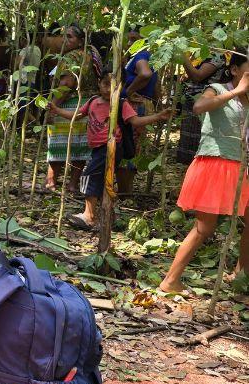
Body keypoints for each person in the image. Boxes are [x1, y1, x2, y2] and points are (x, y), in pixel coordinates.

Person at [160, 53, 249, 294]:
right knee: (204, 228)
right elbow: (199, 107)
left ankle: (240, 276)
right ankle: (170, 280)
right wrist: (236, 91)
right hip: (216, 164)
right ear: (234, 70)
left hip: (242, 167)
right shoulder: (217, 88)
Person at [48, 73, 171, 228]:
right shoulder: (93, 101)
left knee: (89, 176)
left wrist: (158, 116)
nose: (109, 89)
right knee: (102, 181)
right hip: (97, 149)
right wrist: (56, 109)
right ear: (99, 83)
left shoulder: (121, 104)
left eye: (114, 85)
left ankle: (89, 216)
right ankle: (108, 216)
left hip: (111, 148)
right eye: (106, 84)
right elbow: (77, 115)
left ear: (121, 87)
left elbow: (135, 121)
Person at [45, 24, 99, 192]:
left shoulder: (71, 57)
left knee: (57, 145)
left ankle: (51, 183)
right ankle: (72, 185)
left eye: (69, 37)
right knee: (80, 148)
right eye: (64, 36)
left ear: (81, 41)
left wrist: (53, 106)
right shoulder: (92, 54)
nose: (65, 40)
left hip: (69, 105)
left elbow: (67, 84)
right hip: (87, 106)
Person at [176, 24, 229, 164]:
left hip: (201, 99)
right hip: (193, 98)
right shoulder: (204, 53)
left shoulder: (218, 54)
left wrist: (182, 56)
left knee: (196, 136)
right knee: (189, 136)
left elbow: (198, 76)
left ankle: (196, 166)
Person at [118, 26, 158, 192]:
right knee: (135, 149)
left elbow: (146, 74)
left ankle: (124, 191)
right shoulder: (150, 57)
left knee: (128, 147)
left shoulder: (141, 55)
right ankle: (127, 190)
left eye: (134, 40)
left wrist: (128, 92)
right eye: (129, 39)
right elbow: (156, 85)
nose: (129, 43)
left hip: (135, 106)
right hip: (143, 105)